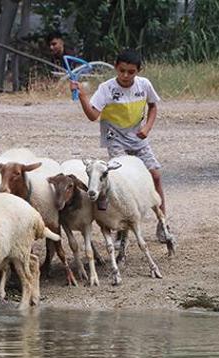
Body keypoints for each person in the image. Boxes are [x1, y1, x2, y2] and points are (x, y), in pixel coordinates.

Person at [70, 49, 171, 242]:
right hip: (115, 138)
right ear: (116, 67)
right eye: (122, 70)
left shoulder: (144, 85)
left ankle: (163, 222)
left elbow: (153, 106)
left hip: (138, 138)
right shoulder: (106, 89)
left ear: (138, 71)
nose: (125, 76)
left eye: (130, 72)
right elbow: (93, 115)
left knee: (156, 175)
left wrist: (147, 128)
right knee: (119, 180)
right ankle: (117, 225)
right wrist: (82, 96)